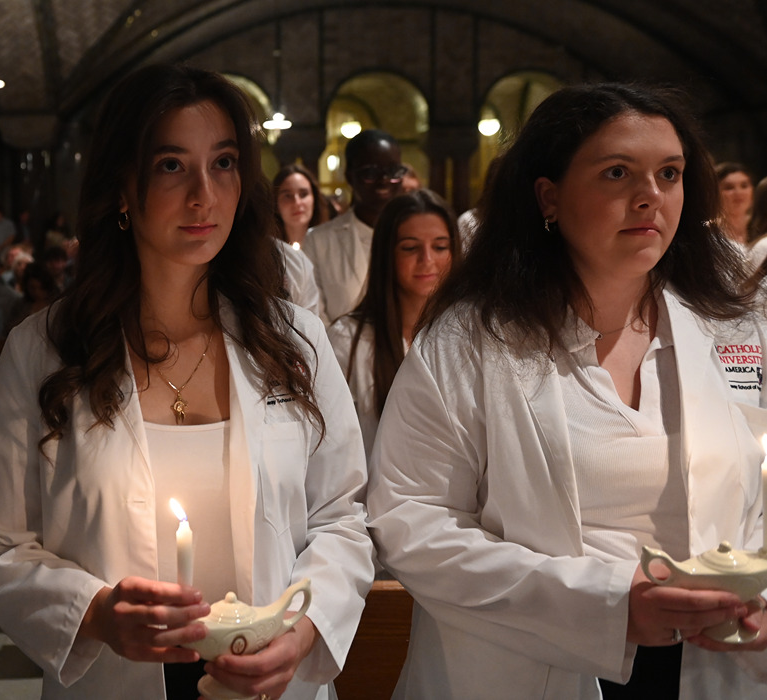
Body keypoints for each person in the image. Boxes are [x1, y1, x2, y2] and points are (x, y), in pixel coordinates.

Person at [0, 63, 372, 700]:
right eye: (172, 165)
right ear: (123, 185)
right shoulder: (45, 350)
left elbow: (341, 518)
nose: (204, 195)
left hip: (264, 683)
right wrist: (95, 612)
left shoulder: (295, 342)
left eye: (224, 163)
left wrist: (305, 628)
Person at [367, 83, 767, 699]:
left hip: (710, 664)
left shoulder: (722, 322)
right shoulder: (469, 342)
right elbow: (411, 521)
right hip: (532, 665)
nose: (650, 197)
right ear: (548, 196)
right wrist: (609, 603)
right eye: (617, 173)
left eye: (669, 173)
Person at [327, 188, 459, 455]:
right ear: (387, 254)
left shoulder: (465, 335)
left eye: (440, 247)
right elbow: (335, 447)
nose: (427, 259)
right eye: (410, 248)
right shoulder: (349, 340)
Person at [302, 129, 404, 324]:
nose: (383, 181)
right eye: (371, 173)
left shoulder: (417, 236)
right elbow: (315, 317)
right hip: (340, 352)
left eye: (392, 172)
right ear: (350, 176)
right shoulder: (320, 240)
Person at [273, 164, 325, 317]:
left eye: (303, 194)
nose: (297, 202)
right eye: (287, 195)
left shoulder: (328, 247)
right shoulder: (272, 253)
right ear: (276, 203)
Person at [4, 261, 58, 333]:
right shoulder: (20, 305)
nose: (37, 292)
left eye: (41, 288)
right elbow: (9, 329)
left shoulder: (56, 304)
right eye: (32, 288)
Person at [715, 162, 754, 248]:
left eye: (744, 186)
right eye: (729, 187)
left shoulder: (761, 227)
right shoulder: (710, 233)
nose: (738, 193)